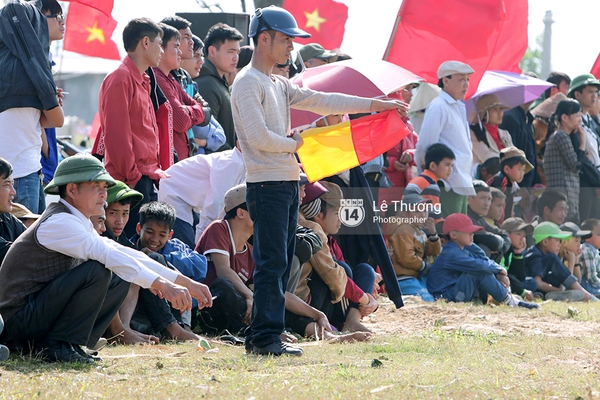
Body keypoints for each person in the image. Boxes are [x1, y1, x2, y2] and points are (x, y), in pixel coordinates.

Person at [231, 6, 408, 356]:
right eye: (285, 40)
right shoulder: (248, 82)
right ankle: (265, 338)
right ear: (263, 39)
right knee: (272, 265)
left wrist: (375, 104)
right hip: (266, 186)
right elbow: (257, 137)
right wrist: (298, 142)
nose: (290, 48)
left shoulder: (278, 83)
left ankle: (267, 335)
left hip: (283, 184)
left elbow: (323, 100)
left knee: (279, 264)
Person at [0, 155, 212, 363]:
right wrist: (161, 285)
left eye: (105, 187)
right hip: (17, 323)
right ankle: (59, 346)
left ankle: (73, 345)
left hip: (34, 315)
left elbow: (125, 253)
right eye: (97, 186)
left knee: (116, 273)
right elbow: (108, 255)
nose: (104, 194)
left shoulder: (77, 220)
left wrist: (184, 282)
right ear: (72, 190)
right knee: (98, 270)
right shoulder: (60, 222)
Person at [98, 18, 170, 239]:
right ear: (145, 42)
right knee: (127, 248)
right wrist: (133, 177)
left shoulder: (144, 79)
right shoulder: (120, 78)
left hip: (144, 179)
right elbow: (116, 135)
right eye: (160, 43)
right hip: (129, 181)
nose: (162, 50)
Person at [0, 0, 64, 214]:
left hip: (12, 171)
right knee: (26, 242)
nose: (61, 22)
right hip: (23, 169)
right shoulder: (33, 70)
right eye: (55, 16)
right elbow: (57, 120)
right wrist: (48, 103)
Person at [426, 213, 538, 309]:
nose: (472, 234)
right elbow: (479, 266)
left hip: (455, 293)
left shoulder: (462, 248)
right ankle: (511, 301)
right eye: (468, 231)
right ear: (454, 235)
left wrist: (498, 272)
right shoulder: (451, 253)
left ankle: (508, 299)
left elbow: (481, 256)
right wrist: (499, 269)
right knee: (478, 272)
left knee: (481, 269)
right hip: (445, 298)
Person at [414, 61, 475, 216]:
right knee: (450, 232)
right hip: (446, 184)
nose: (466, 84)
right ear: (445, 81)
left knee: (460, 234)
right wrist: (430, 177)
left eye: (467, 79)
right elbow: (425, 147)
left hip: (460, 181)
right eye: (461, 79)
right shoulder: (438, 107)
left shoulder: (458, 106)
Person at [157, 145, 246, 248]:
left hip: (189, 200)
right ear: (239, 143)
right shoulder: (232, 162)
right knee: (186, 250)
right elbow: (215, 204)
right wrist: (202, 244)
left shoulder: (242, 163)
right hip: (174, 192)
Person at [153, 23, 209, 161]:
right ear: (161, 48)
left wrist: (188, 110)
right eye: (176, 46)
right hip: (167, 164)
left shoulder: (171, 79)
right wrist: (193, 110)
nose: (180, 52)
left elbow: (203, 111)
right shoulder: (157, 79)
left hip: (180, 160)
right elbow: (181, 122)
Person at [196, 23, 244, 151]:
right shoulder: (207, 83)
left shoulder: (219, 82)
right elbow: (207, 134)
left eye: (237, 52)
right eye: (230, 52)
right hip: (216, 164)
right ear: (212, 51)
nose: (236, 57)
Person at [523, 221, 595, 302]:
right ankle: (584, 295)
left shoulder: (549, 254)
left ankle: (554, 295)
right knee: (551, 259)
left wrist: (574, 261)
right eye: (557, 240)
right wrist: (559, 290)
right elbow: (538, 283)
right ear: (545, 242)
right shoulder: (535, 255)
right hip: (529, 285)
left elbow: (574, 280)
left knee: (555, 277)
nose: (559, 244)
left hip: (540, 288)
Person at [386, 194, 440, 301]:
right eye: (417, 211)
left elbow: (434, 253)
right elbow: (406, 257)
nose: (423, 215)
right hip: (403, 279)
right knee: (428, 302)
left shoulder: (417, 230)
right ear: (405, 213)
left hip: (416, 277)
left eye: (424, 210)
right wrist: (424, 266)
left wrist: (433, 234)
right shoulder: (404, 229)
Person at [180, 35, 226, 155]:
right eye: (196, 56)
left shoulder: (193, 86)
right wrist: (209, 137)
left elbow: (221, 136)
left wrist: (202, 142)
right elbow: (200, 130)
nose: (201, 61)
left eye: (202, 56)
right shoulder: (205, 84)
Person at [543, 99, 585, 224]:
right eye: (577, 115)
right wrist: (583, 143)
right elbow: (576, 165)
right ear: (565, 117)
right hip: (564, 194)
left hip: (564, 194)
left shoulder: (560, 136)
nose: (580, 119)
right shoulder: (561, 136)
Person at [40, 0, 66, 188]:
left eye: (62, 16)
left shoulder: (46, 60)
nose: (62, 22)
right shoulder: (33, 62)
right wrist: (46, 149)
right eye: (56, 17)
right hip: (37, 162)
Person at [568, 74, 600, 222]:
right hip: (582, 184)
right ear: (577, 94)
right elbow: (580, 157)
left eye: (596, 92)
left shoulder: (592, 123)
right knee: (583, 227)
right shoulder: (572, 122)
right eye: (590, 92)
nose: (594, 96)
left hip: (595, 183)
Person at [404, 143, 455, 221]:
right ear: (433, 166)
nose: (450, 169)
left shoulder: (423, 179)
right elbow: (435, 218)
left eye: (452, 165)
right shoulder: (430, 185)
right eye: (447, 165)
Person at [487, 146, 534, 219]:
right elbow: (498, 205)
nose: (522, 173)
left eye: (524, 170)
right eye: (519, 169)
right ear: (507, 169)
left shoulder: (512, 184)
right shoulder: (502, 181)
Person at [470, 94, 513, 166]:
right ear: (485, 114)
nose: (500, 113)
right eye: (495, 109)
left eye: (501, 109)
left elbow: (515, 154)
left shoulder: (505, 134)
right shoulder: (474, 133)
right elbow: (487, 157)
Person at [500, 217, 536, 301]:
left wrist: (518, 254)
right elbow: (504, 275)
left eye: (524, 236)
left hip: (510, 282)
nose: (522, 239)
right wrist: (522, 291)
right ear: (507, 234)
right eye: (519, 234)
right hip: (500, 281)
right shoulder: (501, 249)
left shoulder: (512, 250)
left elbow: (519, 276)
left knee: (530, 282)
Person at [0, 158, 26, 265]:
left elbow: (32, 239)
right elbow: (12, 254)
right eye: (7, 185)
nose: (13, 192)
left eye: (12, 184)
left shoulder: (6, 218)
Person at [579, 219, 600, 296]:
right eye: (599, 235)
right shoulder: (586, 251)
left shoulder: (595, 251)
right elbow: (591, 278)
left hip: (591, 283)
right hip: (584, 284)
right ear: (587, 237)